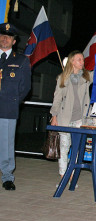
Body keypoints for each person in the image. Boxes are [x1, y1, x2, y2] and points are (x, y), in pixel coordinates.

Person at [50, 50, 93, 180]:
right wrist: (54, 116)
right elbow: (57, 99)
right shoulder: (62, 78)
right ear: (72, 62)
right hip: (65, 118)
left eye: (83, 59)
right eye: (79, 59)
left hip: (81, 118)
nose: (82, 62)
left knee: (78, 148)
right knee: (64, 147)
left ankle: (72, 175)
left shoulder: (87, 77)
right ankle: (64, 175)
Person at [0, 23, 31, 191]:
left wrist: (12, 101)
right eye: (2, 35)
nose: (5, 38)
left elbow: (25, 87)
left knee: (6, 145)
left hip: (7, 109)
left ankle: (7, 177)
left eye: (9, 37)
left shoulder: (21, 61)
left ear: (14, 41)